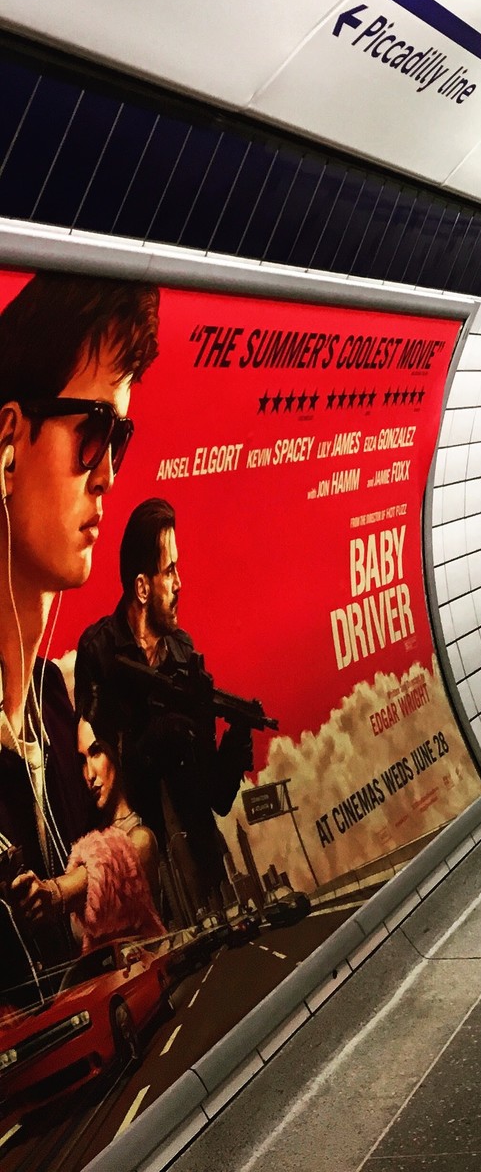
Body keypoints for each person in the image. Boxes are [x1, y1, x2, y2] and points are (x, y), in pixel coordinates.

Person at [0, 272, 159, 1000]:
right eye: (92, 433)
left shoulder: (54, 705)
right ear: (9, 442)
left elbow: (135, 841)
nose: (108, 477)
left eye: (119, 437)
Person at [76, 498, 255, 916]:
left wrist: (237, 743)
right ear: (142, 588)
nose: (179, 583)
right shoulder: (100, 651)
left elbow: (215, 795)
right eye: (170, 570)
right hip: (145, 885)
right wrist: (148, 746)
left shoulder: (184, 654)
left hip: (205, 882)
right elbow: (94, 786)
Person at [11, 715, 166, 954]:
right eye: (82, 760)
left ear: (117, 746)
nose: (89, 774)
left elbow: (115, 861)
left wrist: (54, 893)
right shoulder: (89, 843)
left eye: (96, 752)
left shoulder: (141, 838)